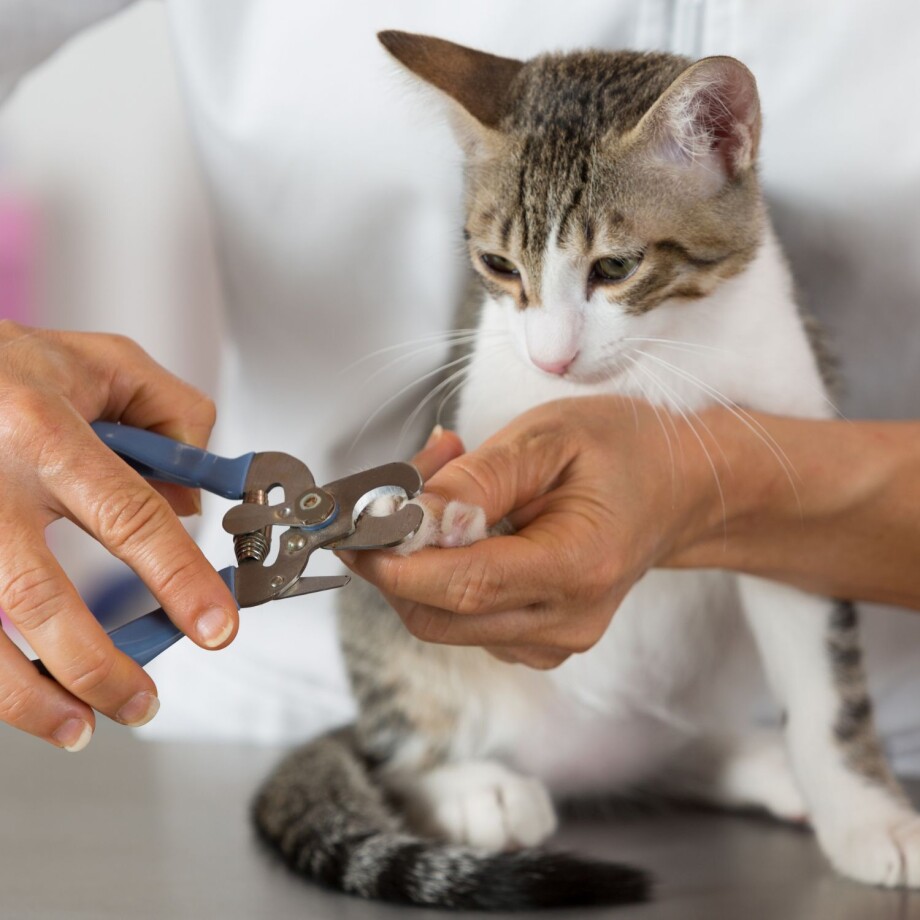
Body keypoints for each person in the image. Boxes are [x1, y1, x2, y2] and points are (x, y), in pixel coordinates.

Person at [0, 1, 917, 753]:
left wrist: (733, 489)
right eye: (502, 272)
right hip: (309, 699)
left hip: (860, 719)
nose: (550, 349)